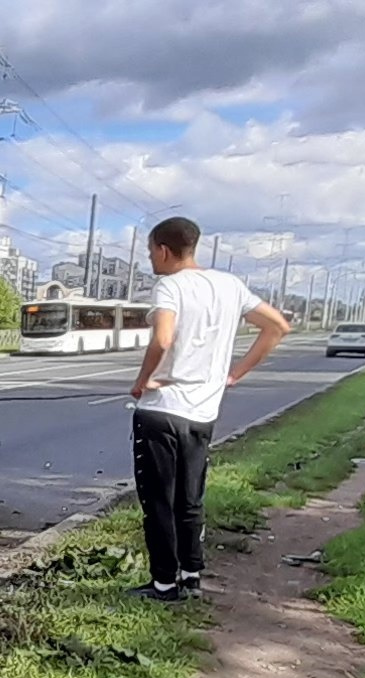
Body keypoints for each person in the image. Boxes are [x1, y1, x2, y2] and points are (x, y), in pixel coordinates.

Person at [127, 216, 292, 601]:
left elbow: (163, 339)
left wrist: (142, 380)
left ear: (164, 250)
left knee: (158, 500)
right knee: (190, 498)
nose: (150, 259)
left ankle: (164, 582)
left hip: (162, 410)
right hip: (203, 412)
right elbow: (278, 327)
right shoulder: (229, 285)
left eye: (151, 251)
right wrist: (235, 373)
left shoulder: (169, 286)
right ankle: (192, 575)